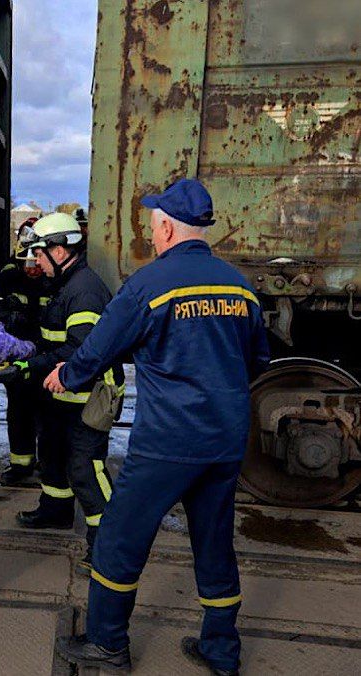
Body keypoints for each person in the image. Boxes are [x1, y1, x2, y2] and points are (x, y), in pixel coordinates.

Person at [50, 179, 269, 675]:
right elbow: (257, 361)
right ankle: (221, 651)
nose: (152, 230)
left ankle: (108, 643)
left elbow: (100, 347)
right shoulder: (240, 286)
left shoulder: (150, 284)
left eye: (154, 222)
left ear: (166, 226)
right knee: (214, 545)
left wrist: (66, 376)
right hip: (225, 442)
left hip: (169, 443)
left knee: (118, 541)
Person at [10, 213, 123, 574]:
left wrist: (32, 364)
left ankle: (106, 550)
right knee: (54, 455)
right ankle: (56, 510)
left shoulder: (84, 290)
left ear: (60, 250)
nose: (36, 263)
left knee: (85, 470)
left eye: (40, 255)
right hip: (62, 396)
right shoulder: (64, 283)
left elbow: (81, 349)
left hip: (86, 398)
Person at [0, 218, 45, 484]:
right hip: (16, 359)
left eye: (36, 263)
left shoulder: (56, 281)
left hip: (46, 358)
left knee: (47, 413)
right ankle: (20, 464)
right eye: (27, 263)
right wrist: (4, 316)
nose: (33, 269)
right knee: (19, 411)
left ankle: (48, 461)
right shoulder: (5, 278)